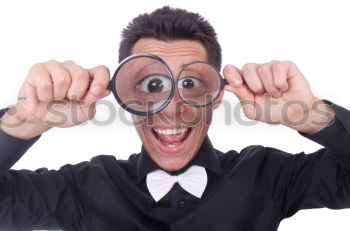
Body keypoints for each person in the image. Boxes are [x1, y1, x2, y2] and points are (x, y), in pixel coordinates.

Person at [0, 6, 349, 231]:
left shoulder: (269, 176)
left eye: (191, 83)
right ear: (125, 94)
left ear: (217, 95)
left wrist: (311, 115)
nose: (171, 107)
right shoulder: (83, 187)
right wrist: (24, 123)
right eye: (153, 84)